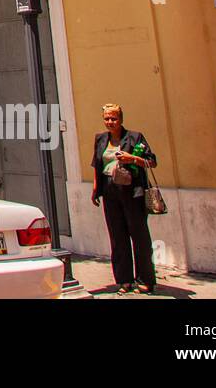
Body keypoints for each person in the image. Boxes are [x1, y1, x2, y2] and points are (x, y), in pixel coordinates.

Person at [91, 103, 158, 294]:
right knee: (117, 237)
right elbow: (97, 165)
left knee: (139, 237)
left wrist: (132, 158)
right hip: (110, 192)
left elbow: (152, 161)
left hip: (132, 192)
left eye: (113, 118)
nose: (110, 122)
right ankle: (124, 280)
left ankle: (146, 280)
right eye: (107, 118)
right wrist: (96, 190)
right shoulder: (101, 139)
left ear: (121, 119)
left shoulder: (135, 137)